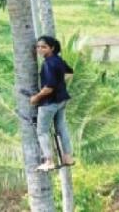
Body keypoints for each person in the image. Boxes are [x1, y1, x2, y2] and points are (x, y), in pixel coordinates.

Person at [30, 35, 75, 171]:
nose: (40, 49)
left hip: (49, 103)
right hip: (61, 100)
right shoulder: (58, 60)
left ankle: (49, 160)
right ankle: (68, 157)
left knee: (42, 131)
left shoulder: (48, 64)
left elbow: (49, 87)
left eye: (44, 47)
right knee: (61, 127)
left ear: (52, 48)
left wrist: (36, 98)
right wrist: (60, 84)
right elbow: (70, 72)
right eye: (38, 47)